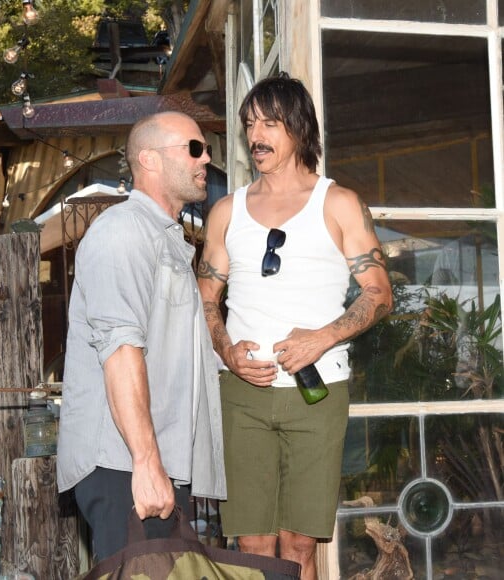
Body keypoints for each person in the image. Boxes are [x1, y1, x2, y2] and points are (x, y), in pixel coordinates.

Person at [197, 73, 393, 580]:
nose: (255, 136)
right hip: (243, 393)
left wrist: (321, 336)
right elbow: (204, 298)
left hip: (318, 390)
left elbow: (379, 294)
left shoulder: (339, 203)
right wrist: (225, 350)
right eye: (248, 125)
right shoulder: (225, 211)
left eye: (268, 123)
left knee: (299, 545)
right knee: (253, 544)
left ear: (299, 128)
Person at [57, 111, 226, 562]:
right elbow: (120, 351)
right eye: (193, 148)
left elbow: (171, 349)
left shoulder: (165, 238)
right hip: (124, 463)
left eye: (205, 148)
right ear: (149, 160)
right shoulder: (123, 232)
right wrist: (146, 462)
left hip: (153, 460)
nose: (205, 157)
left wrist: (227, 357)